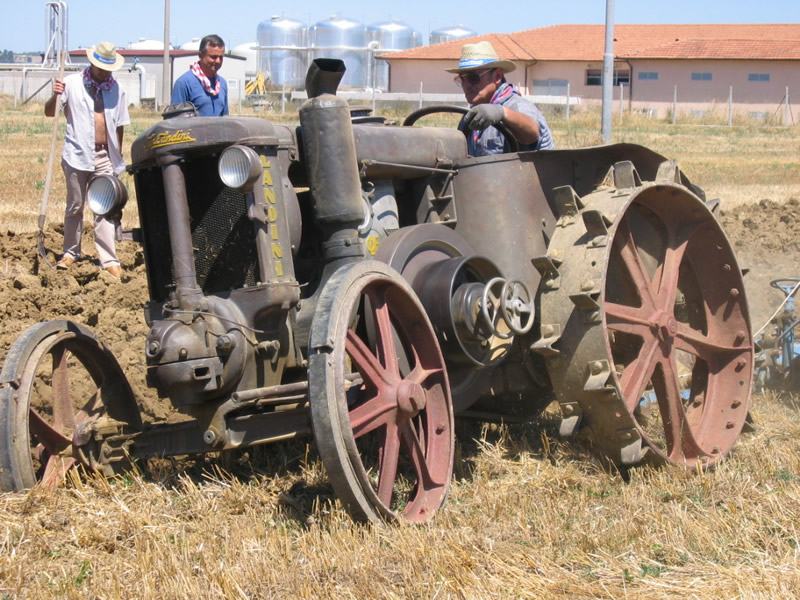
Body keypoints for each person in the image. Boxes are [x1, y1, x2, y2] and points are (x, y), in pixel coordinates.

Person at [44, 41, 129, 278]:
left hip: (105, 156)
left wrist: (117, 156)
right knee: (75, 206)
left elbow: (120, 125)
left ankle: (109, 259)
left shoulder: (117, 90)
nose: (105, 73)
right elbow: (50, 112)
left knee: (104, 209)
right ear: (92, 64)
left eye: (108, 68)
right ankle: (71, 252)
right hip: (76, 154)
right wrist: (55, 95)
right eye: (101, 68)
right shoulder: (71, 84)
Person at [447, 41, 554, 156]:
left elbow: (532, 133)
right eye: (462, 79)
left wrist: (502, 113)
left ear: (497, 76)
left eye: (473, 77)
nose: (466, 85)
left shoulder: (518, 107)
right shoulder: (471, 116)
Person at [171, 34, 229, 116]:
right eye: (213, 57)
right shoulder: (184, 83)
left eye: (221, 57)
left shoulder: (222, 83)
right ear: (200, 55)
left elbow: (225, 118)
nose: (218, 61)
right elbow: (175, 121)